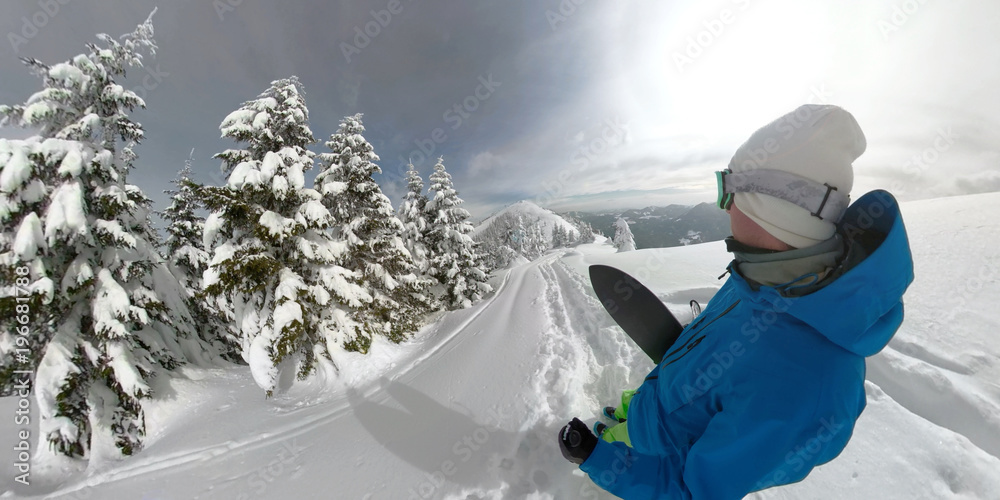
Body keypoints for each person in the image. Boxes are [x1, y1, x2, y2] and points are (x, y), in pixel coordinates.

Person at [558, 104, 914, 499]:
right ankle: (630, 413)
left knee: (628, 438)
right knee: (640, 408)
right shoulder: (764, 273)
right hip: (660, 404)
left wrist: (599, 459)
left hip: (658, 451)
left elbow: (691, 489)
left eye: (729, 189)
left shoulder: (810, 388)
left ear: (775, 211)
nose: (723, 204)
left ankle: (619, 433)